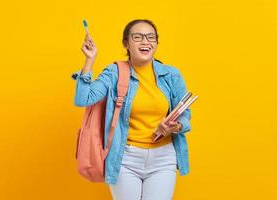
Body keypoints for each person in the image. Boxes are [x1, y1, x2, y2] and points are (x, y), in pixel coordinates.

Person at [72, 19, 192, 200]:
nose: (145, 41)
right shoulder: (114, 73)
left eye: (151, 37)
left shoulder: (171, 74)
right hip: (125, 158)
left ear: (157, 43)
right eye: (138, 37)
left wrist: (175, 127)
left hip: (163, 157)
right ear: (126, 43)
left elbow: (185, 114)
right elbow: (83, 99)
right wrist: (90, 60)